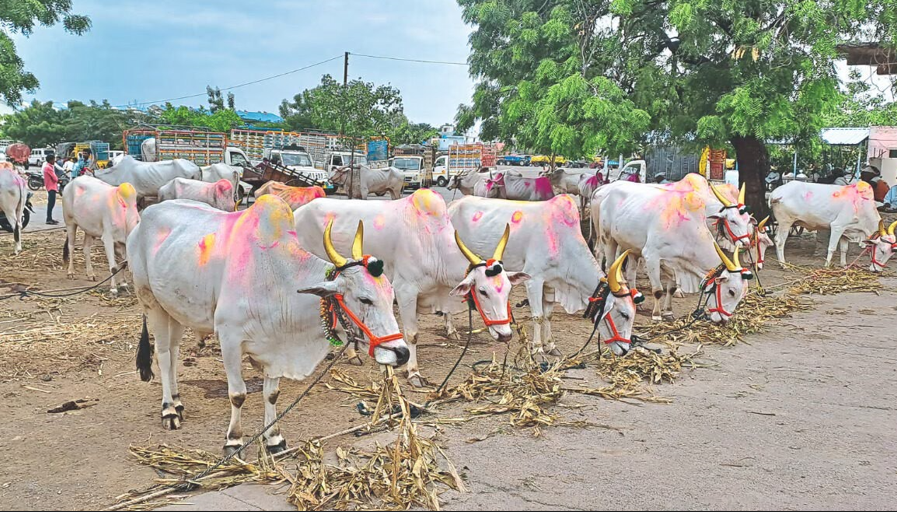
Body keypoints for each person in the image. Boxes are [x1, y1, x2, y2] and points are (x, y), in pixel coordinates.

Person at [42, 155, 59, 225]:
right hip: (51, 187)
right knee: (51, 204)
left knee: (51, 204)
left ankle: (50, 218)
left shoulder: (48, 167)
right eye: (53, 159)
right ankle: (48, 219)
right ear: (50, 160)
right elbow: (55, 179)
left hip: (50, 187)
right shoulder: (48, 168)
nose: (54, 161)